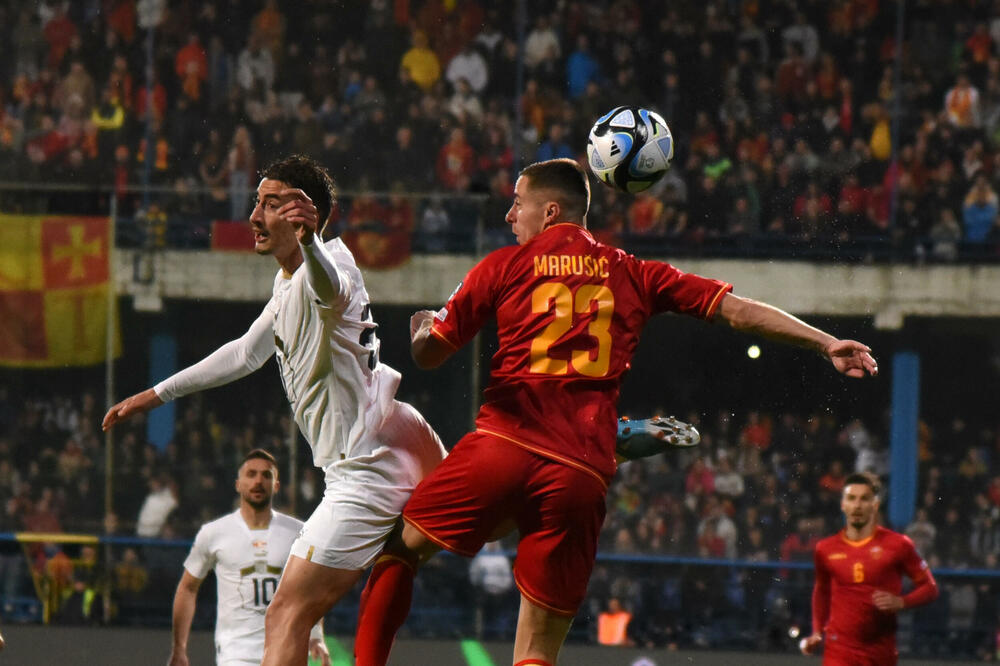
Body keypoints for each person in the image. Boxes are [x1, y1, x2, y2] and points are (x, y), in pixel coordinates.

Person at [353, 158, 879, 666]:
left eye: (518, 203)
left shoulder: (504, 264)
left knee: (400, 551)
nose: (510, 215)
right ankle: (617, 440)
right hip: (578, 475)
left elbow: (430, 354)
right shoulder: (633, 271)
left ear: (551, 212)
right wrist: (824, 342)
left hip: (505, 446)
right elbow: (737, 311)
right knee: (536, 646)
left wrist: (422, 326)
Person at [103, 154, 449, 666]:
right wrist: (156, 394)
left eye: (269, 204)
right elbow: (246, 352)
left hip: (363, 470)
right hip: (396, 429)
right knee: (441, 540)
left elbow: (330, 290)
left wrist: (310, 242)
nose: (254, 216)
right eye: (257, 203)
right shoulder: (290, 279)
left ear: (304, 215)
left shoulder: (327, 270)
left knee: (285, 614)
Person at [169, 449, 325, 666]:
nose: (258, 481)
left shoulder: (299, 532)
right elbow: (187, 587)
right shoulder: (214, 533)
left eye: (266, 475)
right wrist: (179, 647)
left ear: (276, 485)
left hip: (287, 652)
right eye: (251, 474)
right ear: (238, 484)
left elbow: (311, 589)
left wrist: (316, 636)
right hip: (236, 654)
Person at [800, 473, 938, 664]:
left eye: (864, 499)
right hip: (838, 650)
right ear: (843, 504)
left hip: (880, 652)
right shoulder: (826, 549)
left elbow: (930, 588)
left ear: (875, 505)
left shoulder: (898, 545)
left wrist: (902, 602)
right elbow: (822, 590)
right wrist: (817, 631)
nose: (857, 505)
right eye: (851, 498)